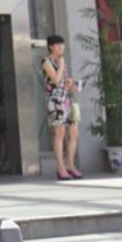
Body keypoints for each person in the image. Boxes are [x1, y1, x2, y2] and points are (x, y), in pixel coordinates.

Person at [41, 35, 83, 181]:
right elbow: (56, 79)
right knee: (60, 133)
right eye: (58, 45)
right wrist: (61, 64)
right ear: (51, 47)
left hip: (67, 100)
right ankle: (60, 168)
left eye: (62, 45)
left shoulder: (60, 61)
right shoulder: (46, 62)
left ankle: (70, 164)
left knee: (74, 133)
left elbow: (63, 81)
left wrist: (71, 84)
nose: (61, 48)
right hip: (55, 101)